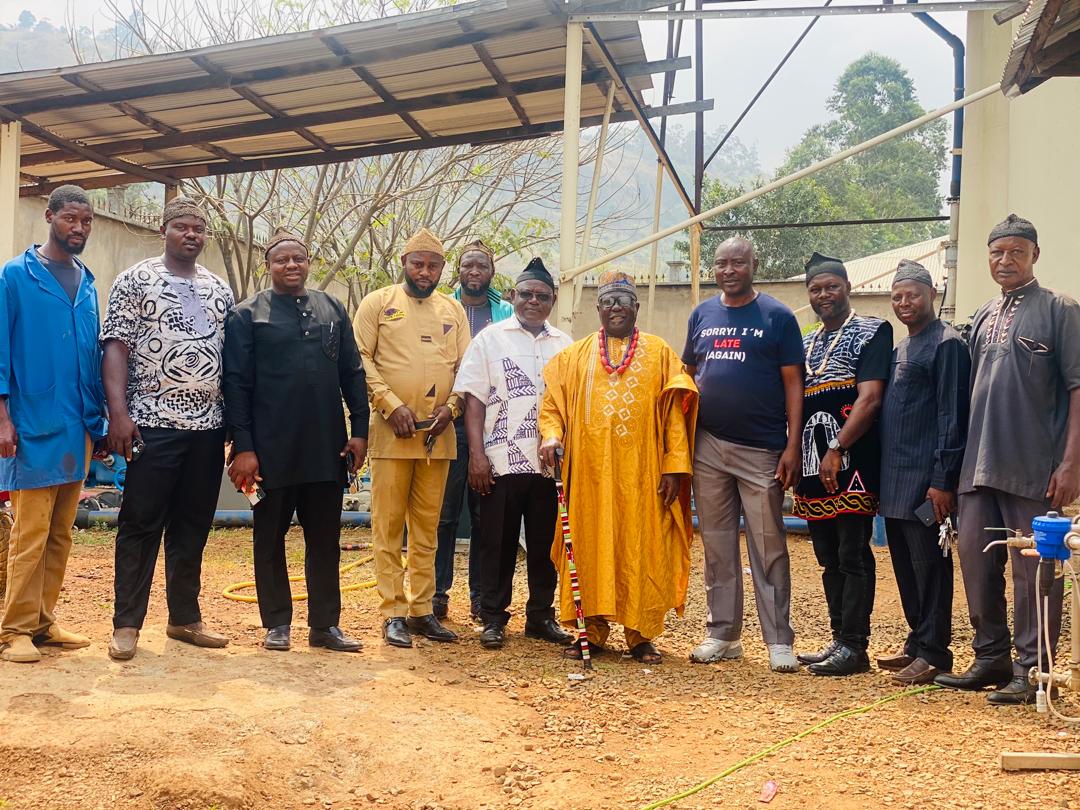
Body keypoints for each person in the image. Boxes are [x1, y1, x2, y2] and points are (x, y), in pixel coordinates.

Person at [935, 215, 1080, 705]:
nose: (1005, 260)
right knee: (976, 562)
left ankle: (1033, 669)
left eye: (1017, 251)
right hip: (977, 466)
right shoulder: (982, 314)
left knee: (1033, 571)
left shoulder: (1061, 310)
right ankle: (991, 657)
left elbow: (1078, 389)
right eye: (997, 252)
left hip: (1033, 467)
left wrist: (1071, 464)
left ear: (1035, 255)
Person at [539, 270, 698, 665]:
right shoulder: (574, 356)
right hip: (588, 477)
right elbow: (552, 406)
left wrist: (674, 467)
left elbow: (674, 416)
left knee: (642, 547)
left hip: (643, 476)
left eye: (623, 301)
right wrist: (551, 437)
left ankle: (640, 635)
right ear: (597, 308)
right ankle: (589, 632)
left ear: (636, 307)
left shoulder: (660, 352)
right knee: (588, 548)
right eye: (608, 301)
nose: (615, 308)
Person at [101, 196, 234, 661]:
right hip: (151, 423)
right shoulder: (136, 279)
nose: (191, 234)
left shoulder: (219, 288)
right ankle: (126, 625)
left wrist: (233, 424)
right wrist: (119, 413)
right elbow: (115, 347)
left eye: (198, 228)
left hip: (208, 428)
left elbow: (232, 358)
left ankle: (184, 618)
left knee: (193, 524)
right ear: (164, 231)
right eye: (182, 226)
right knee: (140, 523)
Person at [223, 231, 368, 653]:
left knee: (324, 540)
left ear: (309, 263)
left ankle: (325, 625)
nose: (291, 265)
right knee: (269, 538)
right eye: (281, 260)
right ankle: (277, 623)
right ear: (267, 266)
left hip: (325, 447)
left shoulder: (331, 308)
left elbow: (352, 373)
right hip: (268, 452)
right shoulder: (247, 315)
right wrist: (244, 447)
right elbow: (235, 385)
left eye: (299, 259)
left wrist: (360, 431)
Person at [683, 237, 803, 673]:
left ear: (755, 264)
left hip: (762, 447)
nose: (729, 270)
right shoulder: (702, 315)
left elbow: (794, 383)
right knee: (716, 543)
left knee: (768, 544)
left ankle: (779, 640)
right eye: (721, 264)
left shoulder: (777, 316)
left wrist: (792, 444)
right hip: (709, 445)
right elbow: (688, 375)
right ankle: (723, 634)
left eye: (738, 262)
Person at [0, 185, 105, 664]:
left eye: (85, 221)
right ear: (49, 217)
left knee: (62, 532)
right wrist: (3, 417)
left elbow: (91, 356)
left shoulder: (88, 282)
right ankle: (15, 630)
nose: (78, 228)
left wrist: (99, 423)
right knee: (30, 533)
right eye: (70, 219)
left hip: (77, 426)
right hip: (31, 425)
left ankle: (44, 620)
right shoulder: (15, 276)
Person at [354, 228, 469, 648]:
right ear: (403, 263)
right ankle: (392, 612)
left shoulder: (453, 310)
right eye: (417, 264)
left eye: (432, 265)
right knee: (388, 527)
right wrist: (390, 405)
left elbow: (467, 367)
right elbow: (360, 359)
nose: (424, 272)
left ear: (442, 269)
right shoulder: (378, 303)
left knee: (428, 528)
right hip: (392, 434)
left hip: (438, 436)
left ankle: (422, 610)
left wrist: (452, 408)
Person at [454, 258, 573, 650]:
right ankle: (493, 617)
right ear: (512, 296)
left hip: (549, 466)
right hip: (499, 461)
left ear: (553, 300)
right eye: (526, 294)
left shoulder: (565, 345)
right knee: (496, 542)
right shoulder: (489, 339)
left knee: (544, 545)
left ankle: (540, 616)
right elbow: (474, 401)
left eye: (542, 296)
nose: (533, 301)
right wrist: (477, 456)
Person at [793, 253, 892, 676]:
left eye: (832, 286)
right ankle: (839, 639)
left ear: (848, 287)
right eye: (816, 289)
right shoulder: (805, 342)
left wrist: (836, 447)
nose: (824, 295)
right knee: (827, 555)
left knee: (853, 552)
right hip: (811, 461)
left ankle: (855, 645)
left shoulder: (873, 331)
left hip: (852, 460)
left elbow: (870, 399)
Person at [878, 260, 970, 685]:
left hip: (925, 482)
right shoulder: (903, 347)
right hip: (895, 480)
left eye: (912, 295)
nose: (904, 302)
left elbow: (952, 415)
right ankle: (917, 642)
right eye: (897, 296)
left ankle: (935, 653)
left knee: (931, 566)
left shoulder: (946, 344)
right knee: (905, 566)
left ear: (932, 294)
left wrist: (942, 480)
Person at [435, 240, 513, 621]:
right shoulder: (441, 308)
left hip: (491, 428)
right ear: (458, 270)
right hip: (449, 425)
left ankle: (481, 597)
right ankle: (436, 594)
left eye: (482, 265)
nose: (475, 271)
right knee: (445, 513)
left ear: (492, 272)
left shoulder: (507, 314)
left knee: (484, 515)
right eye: (468, 265)